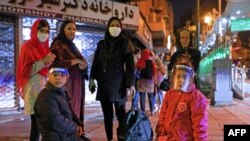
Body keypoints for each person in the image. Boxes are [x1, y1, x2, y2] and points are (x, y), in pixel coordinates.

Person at [88, 17, 135, 141]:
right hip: (104, 84)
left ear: (121, 28)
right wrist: (92, 78)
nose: (115, 27)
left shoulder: (125, 44)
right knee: (107, 116)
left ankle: (122, 138)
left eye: (117, 25)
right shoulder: (101, 45)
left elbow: (130, 67)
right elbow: (96, 63)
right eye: (112, 25)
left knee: (121, 116)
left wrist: (131, 84)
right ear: (108, 27)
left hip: (119, 85)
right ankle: (109, 138)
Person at [16, 19, 56, 141]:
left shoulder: (45, 48)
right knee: (37, 125)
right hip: (33, 89)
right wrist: (43, 62)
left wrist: (48, 63)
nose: (44, 33)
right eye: (41, 30)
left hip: (44, 88)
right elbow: (25, 71)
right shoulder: (27, 46)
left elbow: (46, 70)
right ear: (34, 31)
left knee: (43, 124)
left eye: (47, 31)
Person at [155, 57, 208, 141]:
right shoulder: (170, 94)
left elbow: (199, 126)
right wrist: (160, 133)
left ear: (190, 78)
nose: (181, 80)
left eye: (185, 77)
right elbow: (163, 115)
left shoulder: (196, 98)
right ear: (174, 77)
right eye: (178, 77)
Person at [34, 67, 90, 141]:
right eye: (55, 75)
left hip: (66, 135)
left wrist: (78, 124)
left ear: (67, 78)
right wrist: (74, 128)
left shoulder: (61, 93)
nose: (58, 78)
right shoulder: (45, 97)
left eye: (62, 75)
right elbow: (55, 121)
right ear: (49, 76)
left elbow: (70, 113)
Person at [50, 20, 88, 124]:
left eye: (74, 29)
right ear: (63, 29)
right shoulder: (57, 44)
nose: (72, 31)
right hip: (66, 84)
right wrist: (76, 61)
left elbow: (82, 62)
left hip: (76, 83)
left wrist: (83, 66)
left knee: (76, 110)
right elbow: (56, 62)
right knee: (67, 110)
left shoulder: (72, 45)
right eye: (69, 28)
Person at [136, 49, 156, 115]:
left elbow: (137, 69)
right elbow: (154, 71)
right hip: (150, 81)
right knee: (151, 97)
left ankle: (143, 111)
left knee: (142, 97)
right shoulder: (151, 62)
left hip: (142, 81)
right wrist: (152, 77)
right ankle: (152, 110)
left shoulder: (140, 61)